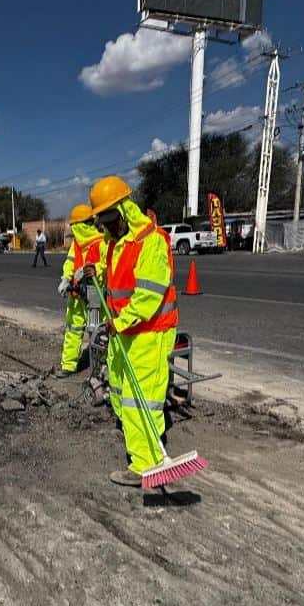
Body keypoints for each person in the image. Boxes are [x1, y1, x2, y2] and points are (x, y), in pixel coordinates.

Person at [86, 176, 178, 488]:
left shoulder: (151, 242)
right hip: (123, 331)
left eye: (109, 219)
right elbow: (112, 270)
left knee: (142, 399)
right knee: (121, 390)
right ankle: (135, 438)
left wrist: (121, 321)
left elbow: (148, 296)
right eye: (102, 222)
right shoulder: (115, 242)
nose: (106, 227)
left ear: (124, 211)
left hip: (149, 332)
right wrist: (95, 270)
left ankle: (146, 464)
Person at [54, 204, 104, 378]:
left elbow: (107, 265)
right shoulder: (77, 244)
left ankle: (99, 367)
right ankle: (68, 365)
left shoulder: (101, 242)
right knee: (73, 330)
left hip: (94, 294)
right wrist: (65, 279)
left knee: (96, 331)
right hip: (76, 294)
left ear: (79, 225)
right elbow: (70, 262)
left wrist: (93, 270)